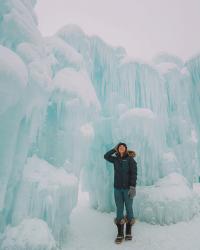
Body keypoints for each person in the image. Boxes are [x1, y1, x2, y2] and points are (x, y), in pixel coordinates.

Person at [104, 142, 137, 244]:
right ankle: (120, 233)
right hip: (117, 188)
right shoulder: (115, 159)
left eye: (123, 147)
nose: (121, 148)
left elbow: (134, 174)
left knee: (129, 208)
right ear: (118, 149)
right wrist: (114, 149)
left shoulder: (130, 160)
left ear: (126, 149)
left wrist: (132, 187)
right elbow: (106, 156)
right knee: (119, 209)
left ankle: (128, 231)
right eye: (119, 147)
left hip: (127, 188)